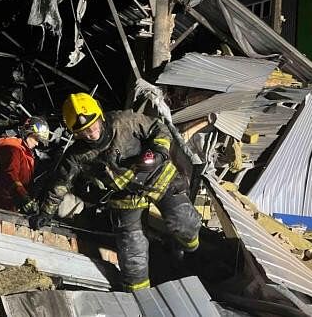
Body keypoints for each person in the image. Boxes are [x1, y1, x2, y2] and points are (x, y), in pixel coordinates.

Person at [31, 93, 201, 292]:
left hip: (159, 178)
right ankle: (139, 294)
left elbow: (158, 127)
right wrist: (45, 213)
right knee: (132, 253)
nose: (90, 132)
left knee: (185, 223)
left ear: (100, 116)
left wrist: (158, 151)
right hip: (125, 199)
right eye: (82, 131)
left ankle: (186, 253)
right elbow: (60, 184)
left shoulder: (125, 122)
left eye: (92, 124)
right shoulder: (76, 155)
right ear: (75, 133)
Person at [0, 116, 49, 212]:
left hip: (14, 208)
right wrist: (24, 199)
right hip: (2, 208)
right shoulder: (12, 147)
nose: (37, 144)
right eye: (36, 138)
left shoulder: (27, 154)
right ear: (27, 132)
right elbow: (10, 177)